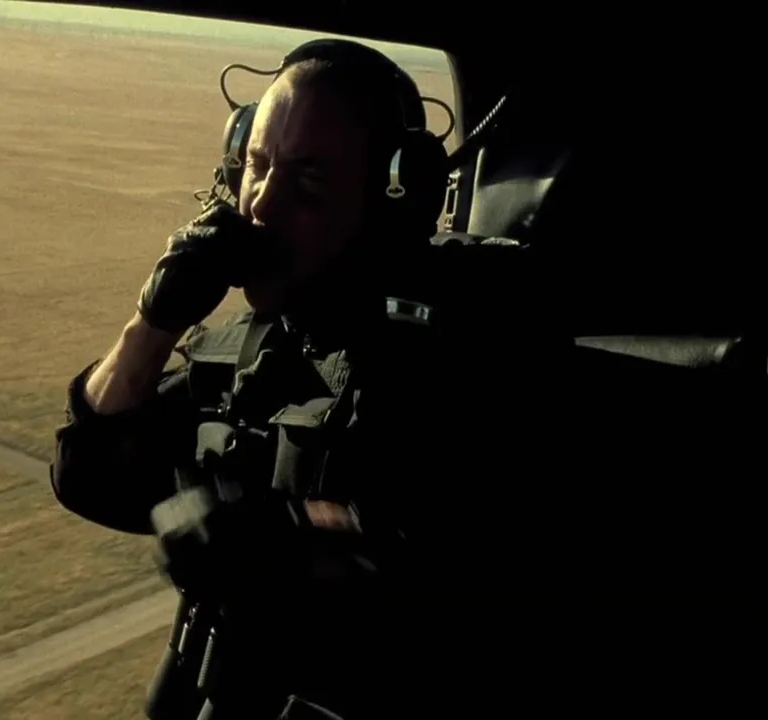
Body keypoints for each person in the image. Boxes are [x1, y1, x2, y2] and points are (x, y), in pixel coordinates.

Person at [49, 39, 500, 720]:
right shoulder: (245, 350)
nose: (261, 205)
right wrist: (153, 322)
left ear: (393, 198)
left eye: (308, 182)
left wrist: (285, 538)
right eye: (256, 167)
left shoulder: (451, 362)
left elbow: (450, 554)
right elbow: (87, 478)